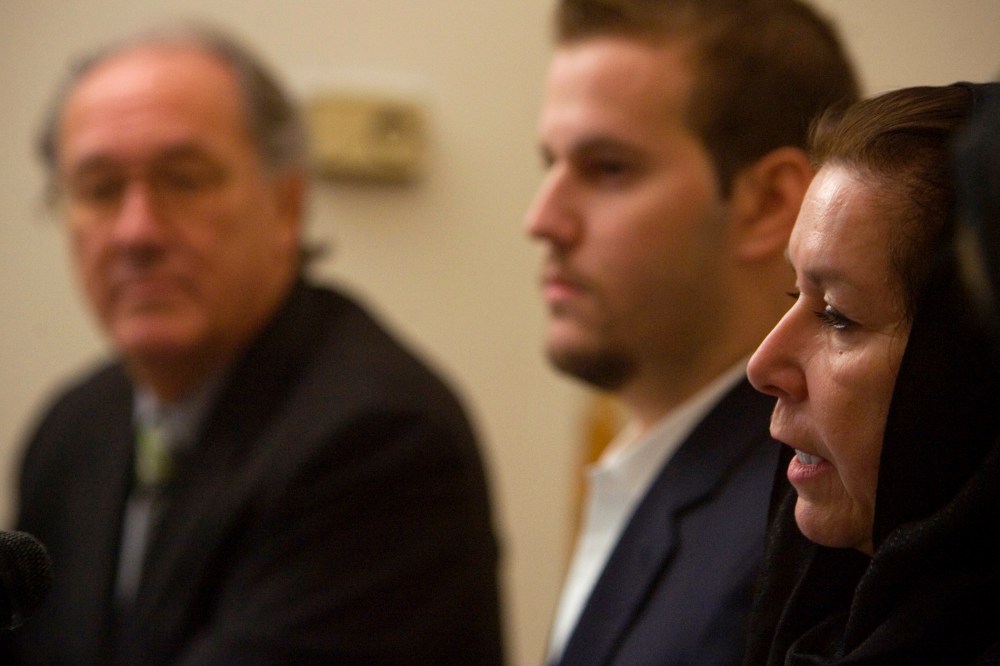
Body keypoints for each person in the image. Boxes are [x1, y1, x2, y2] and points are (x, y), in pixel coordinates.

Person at [1, 22, 504, 665]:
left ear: (288, 206)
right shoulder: (74, 428)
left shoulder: (379, 439)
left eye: (183, 180)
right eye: (99, 190)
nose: (136, 233)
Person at [523, 0, 857, 663]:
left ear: (768, 204)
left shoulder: (803, 526)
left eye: (608, 168)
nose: (543, 219)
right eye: (550, 163)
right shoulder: (669, 459)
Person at [744, 82, 1000, 665]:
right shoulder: (816, 628)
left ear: (968, 370)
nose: (763, 367)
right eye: (794, 292)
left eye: (837, 316)